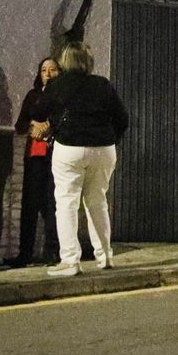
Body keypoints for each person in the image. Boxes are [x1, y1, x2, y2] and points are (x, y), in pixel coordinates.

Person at [31, 40, 129, 276]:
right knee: (97, 200)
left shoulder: (56, 85)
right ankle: (105, 256)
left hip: (70, 148)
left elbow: (38, 112)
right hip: (103, 148)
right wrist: (110, 138)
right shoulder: (102, 84)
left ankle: (70, 261)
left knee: (67, 202)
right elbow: (122, 118)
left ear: (65, 61)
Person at [7, 57, 61, 266]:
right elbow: (20, 124)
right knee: (30, 203)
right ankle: (25, 253)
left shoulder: (62, 95)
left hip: (56, 153)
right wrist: (33, 125)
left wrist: (49, 125)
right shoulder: (33, 95)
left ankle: (53, 251)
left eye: (52, 69)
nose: (48, 73)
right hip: (35, 154)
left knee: (52, 203)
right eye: (44, 70)